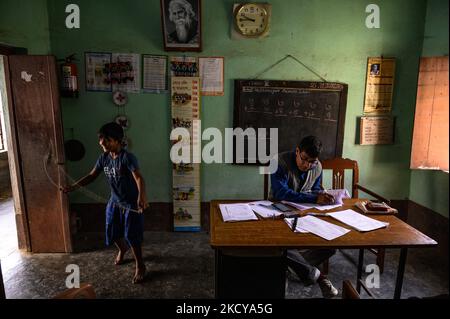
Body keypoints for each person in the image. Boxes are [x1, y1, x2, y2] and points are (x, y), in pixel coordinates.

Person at [62, 122, 149, 284]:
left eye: (105, 139)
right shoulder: (104, 158)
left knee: (132, 235)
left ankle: (140, 265)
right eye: (101, 139)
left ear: (116, 140)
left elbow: (138, 177)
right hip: (114, 202)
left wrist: (141, 197)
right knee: (112, 231)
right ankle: (122, 249)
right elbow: (92, 175)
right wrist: (73, 187)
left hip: (130, 204)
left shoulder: (127, 157)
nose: (101, 142)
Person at [270, 135, 339, 298]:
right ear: (297, 151)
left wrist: (322, 195)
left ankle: (291, 266)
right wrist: (314, 198)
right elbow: (281, 193)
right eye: (304, 159)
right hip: (278, 211)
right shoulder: (278, 161)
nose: (307, 165)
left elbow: (315, 190)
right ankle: (317, 275)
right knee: (278, 243)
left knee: (331, 243)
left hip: (304, 213)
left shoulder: (318, 167)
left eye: (312, 161)